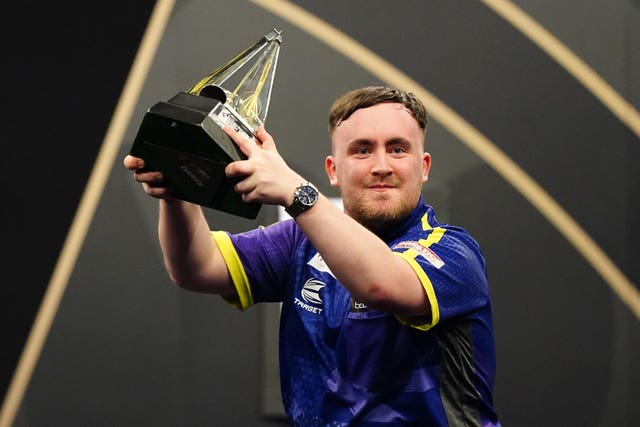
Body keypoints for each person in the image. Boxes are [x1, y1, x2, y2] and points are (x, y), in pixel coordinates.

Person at [124, 86, 500, 426]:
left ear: (424, 167)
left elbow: (381, 285)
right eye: (362, 150)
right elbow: (197, 268)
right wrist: (180, 191)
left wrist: (297, 192)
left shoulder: (454, 252)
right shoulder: (299, 241)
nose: (381, 165)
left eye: (398, 149)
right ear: (333, 171)